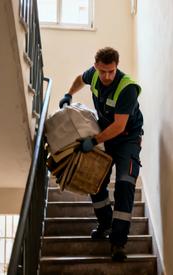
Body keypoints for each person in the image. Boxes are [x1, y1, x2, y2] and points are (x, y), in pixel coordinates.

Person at [59, 47, 143, 262]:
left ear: (117, 67)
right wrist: (69, 93)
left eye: (111, 71)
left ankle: (118, 242)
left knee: (125, 183)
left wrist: (94, 141)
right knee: (94, 181)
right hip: (105, 134)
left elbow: (119, 126)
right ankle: (105, 223)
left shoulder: (127, 88)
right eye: (103, 71)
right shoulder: (94, 75)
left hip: (126, 138)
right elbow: (80, 78)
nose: (107, 76)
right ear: (96, 66)